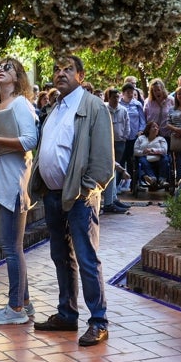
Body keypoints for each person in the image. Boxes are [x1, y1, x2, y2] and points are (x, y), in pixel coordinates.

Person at [30, 55, 114, 347]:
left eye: (68, 69)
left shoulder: (93, 107)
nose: (60, 73)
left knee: (87, 258)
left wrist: (87, 188)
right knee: (60, 257)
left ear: (81, 75)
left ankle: (99, 321)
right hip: (54, 196)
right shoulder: (54, 107)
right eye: (56, 69)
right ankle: (67, 313)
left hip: (79, 198)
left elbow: (104, 161)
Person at [0, 57, 40, 326]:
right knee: (9, 245)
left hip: (13, 181)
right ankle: (24, 302)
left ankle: (15, 309)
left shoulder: (21, 104)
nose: (1, 71)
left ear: (18, 77)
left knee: (12, 248)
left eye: (8, 68)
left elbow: (30, 140)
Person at [102, 88, 131, 214]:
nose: (116, 99)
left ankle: (113, 199)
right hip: (106, 142)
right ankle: (109, 203)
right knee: (111, 169)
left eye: (118, 97)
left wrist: (123, 137)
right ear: (108, 98)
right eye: (114, 97)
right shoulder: (104, 110)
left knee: (114, 170)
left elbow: (127, 125)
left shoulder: (123, 110)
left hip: (119, 142)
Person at [120, 83, 146, 193]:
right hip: (122, 138)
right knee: (121, 161)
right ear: (123, 93)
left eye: (132, 92)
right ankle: (119, 185)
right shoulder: (119, 104)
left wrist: (141, 131)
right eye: (128, 92)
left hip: (134, 138)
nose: (130, 94)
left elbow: (142, 120)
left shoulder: (137, 104)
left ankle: (135, 184)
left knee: (134, 162)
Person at [134, 121, 170, 191]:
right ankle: (152, 178)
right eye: (153, 127)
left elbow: (164, 150)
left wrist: (152, 150)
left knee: (166, 159)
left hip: (159, 159)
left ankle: (162, 180)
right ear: (148, 129)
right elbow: (135, 151)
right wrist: (143, 152)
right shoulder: (141, 138)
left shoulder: (161, 139)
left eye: (157, 127)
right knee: (141, 160)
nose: (156, 128)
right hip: (145, 158)